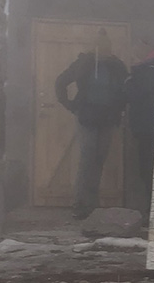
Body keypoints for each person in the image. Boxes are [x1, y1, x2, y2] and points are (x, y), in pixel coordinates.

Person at [55, 29, 128, 219]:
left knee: (99, 159)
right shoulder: (85, 63)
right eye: (100, 45)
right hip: (87, 116)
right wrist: (70, 105)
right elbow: (61, 81)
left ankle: (92, 204)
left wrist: (121, 107)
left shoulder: (116, 65)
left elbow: (126, 88)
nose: (103, 49)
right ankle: (80, 204)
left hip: (108, 118)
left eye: (106, 45)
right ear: (94, 46)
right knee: (88, 159)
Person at [124, 41, 154, 216]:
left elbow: (131, 95)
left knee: (147, 169)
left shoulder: (145, 72)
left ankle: (150, 211)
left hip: (147, 127)